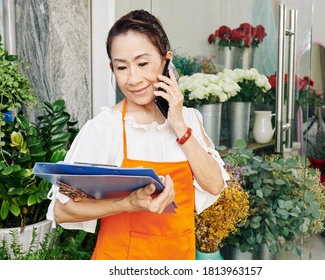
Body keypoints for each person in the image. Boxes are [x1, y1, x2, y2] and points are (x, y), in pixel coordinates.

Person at [46, 9, 229, 260]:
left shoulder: (189, 120)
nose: (133, 78)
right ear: (112, 68)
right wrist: (127, 203)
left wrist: (179, 125)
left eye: (143, 63)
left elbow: (215, 184)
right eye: (122, 67)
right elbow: (61, 211)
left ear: (166, 60)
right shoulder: (105, 128)